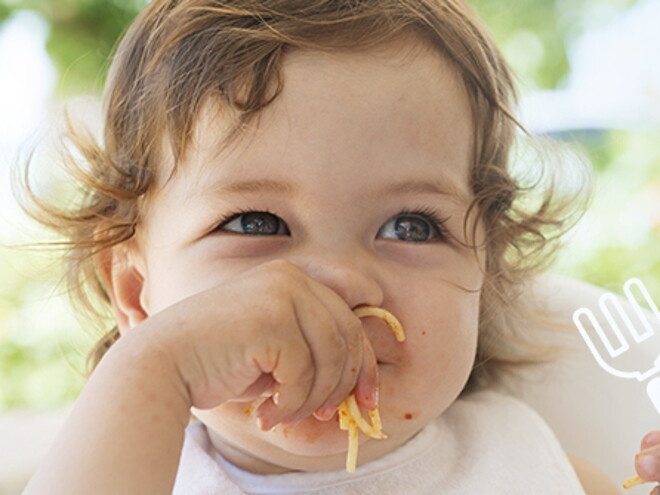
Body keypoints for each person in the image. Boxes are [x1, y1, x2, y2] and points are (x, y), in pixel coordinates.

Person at [18, 0, 658, 493]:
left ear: (482, 274)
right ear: (137, 294)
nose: (337, 281)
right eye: (254, 223)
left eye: (411, 226)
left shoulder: (533, 465)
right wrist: (150, 370)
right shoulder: (130, 469)